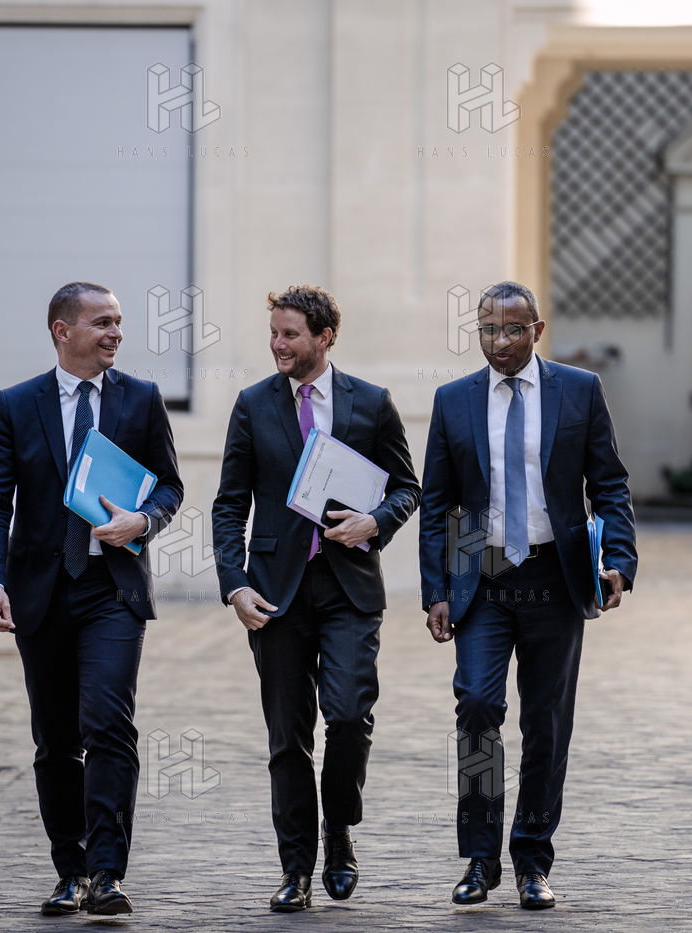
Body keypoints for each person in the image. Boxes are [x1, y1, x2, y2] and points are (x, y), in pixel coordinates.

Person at [419, 281, 638, 910]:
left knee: (546, 724)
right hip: (483, 580)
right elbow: (437, 504)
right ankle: (479, 858)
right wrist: (436, 590)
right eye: (488, 330)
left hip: (555, 579)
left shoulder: (580, 391)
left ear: (536, 331)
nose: (500, 343)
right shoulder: (453, 400)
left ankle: (532, 859)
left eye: (513, 331)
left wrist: (618, 561)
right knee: (477, 706)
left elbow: (610, 485)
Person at [0, 282, 183, 917]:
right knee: (57, 739)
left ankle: (108, 872)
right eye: (102, 322)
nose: (116, 333)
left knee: (108, 724)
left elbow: (169, 487)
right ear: (62, 331)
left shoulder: (141, 399)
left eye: (119, 322)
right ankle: (70, 870)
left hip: (111, 590)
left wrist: (142, 521)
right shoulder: (15, 404)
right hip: (39, 595)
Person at [212, 285, 420, 912]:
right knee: (288, 736)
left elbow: (407, 488)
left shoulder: (371, 403)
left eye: (290, 335)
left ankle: (340, 826)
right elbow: (229, 504)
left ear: (325, 337)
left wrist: (375, 521)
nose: (278, 345)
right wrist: (235, 583)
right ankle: (296, 868)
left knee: (349, 715)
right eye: (273, 334)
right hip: (274, 592)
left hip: (349, 586)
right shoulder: (253, 405)